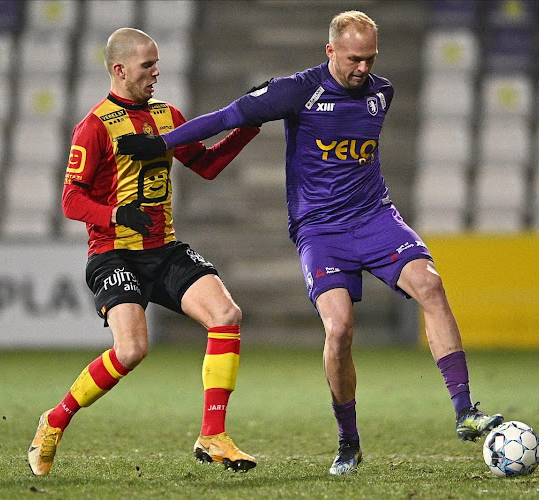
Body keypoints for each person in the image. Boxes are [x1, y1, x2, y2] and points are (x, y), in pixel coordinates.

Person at [119, 11, 503, 475]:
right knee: (339, 330)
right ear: (330, 51)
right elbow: (226, 116)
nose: (364, 69)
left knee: (431, 285)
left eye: (370, 59)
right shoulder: (298, 90)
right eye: (354, 59)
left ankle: (464, 411)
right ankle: (349, 442)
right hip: (319, 229)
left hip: (373, 216)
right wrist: (163, 143)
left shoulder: (383, 93)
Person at [28, 28, 261, 476]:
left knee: (226, 315)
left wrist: (247, 126)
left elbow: (207, 165)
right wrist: (116, 215)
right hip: (114, 254)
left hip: (164, 248)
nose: (157, 72)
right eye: (147, 65)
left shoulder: (167, 115)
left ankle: (213, 435)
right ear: (119, 70)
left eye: (157, 63)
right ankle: (54, 421)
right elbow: (70, 200)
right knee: (132, 350)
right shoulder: (94, 126)